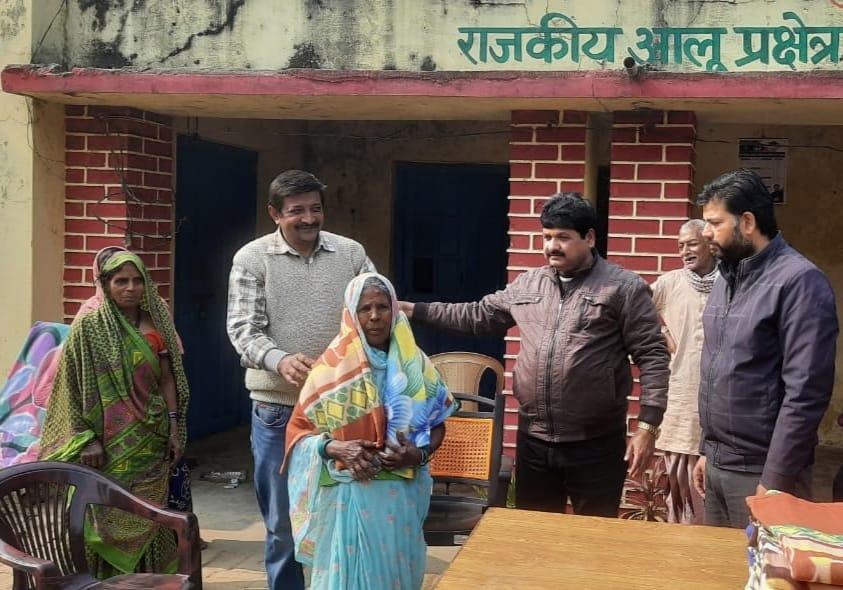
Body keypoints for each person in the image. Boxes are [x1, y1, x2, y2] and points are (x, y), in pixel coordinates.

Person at [401, 193, 669, 517]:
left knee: (593, 537)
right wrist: (413, 310)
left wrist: (647, 427)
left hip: (596, 444)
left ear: (589, 238)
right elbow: (476, 315)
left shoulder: (622, 288)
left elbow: (653, 355)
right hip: (535, 442)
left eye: (563, 237)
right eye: (547, 237)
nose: (552, 246)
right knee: (534, 534)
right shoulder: (530, 284)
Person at [226, 169, 374, 590]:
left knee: (347, 511)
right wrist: (279, 360)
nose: (308, 218)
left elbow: (374, 311)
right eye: (296, 211)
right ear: (275, 213)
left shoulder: (351, 254)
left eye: (315, 208)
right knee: (283, 523)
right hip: (278, 410)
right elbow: (243, 328)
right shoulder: (252, 258)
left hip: (345, 406)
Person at [285, 273, 455, 589]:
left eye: (382, 307)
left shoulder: (415, 364)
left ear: (395, 310)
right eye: (365, 308)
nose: (374, 316)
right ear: (351, 314)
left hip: (398, 493)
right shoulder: (328, 369)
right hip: (345, 491)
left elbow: (438, 424)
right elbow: (299, 434)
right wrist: (333, 448)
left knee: (393, 576)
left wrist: (418, 454)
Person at [692, 168, 838, 528]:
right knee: (715, 561)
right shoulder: (726, 278)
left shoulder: (799, 282)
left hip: (763, 473)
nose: (705, 233)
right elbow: (717, 370)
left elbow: (806, 391)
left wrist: (776, 478)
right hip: (718, 466)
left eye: (715, 223)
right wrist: (707, 450)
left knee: (760, 565)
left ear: (747, 222)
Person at [39, 250, 189, 578]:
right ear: (106, 285)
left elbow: (167, 379)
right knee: (105, 510)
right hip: (106, 444)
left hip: (152, 437)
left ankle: (148, 580)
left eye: (137, 280)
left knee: (150, 513)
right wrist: (86, 438)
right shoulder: (89, 327)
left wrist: (174, 427)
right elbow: (70, 386)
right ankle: (102, 580)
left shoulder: (158, 322)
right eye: (121, 281)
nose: (130, 288)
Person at [650, 219, 718, 525]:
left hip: (721, 400)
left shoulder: (730, 281)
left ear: (709, 244)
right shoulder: (669, 283)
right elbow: (635, 311)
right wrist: (662, 333)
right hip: (682, 397)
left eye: (691, 244)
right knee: (681, 484)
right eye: (680, 246)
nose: (684, 251)